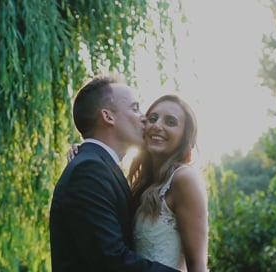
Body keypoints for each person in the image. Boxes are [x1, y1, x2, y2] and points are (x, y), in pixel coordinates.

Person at [49, 74, 180, 272]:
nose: (144, 117)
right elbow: (111, 260)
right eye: (135, 108)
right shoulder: (88, 172)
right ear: (108, 117)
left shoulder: (98, 165)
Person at [68, 94, 209, 272]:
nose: (157, 126)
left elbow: (198, 265)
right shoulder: (140, 186)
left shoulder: (184, 179)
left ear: (184, 136)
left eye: (171, 122)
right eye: (152, 118)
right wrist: (87, 152)